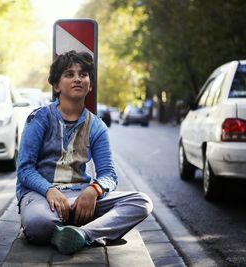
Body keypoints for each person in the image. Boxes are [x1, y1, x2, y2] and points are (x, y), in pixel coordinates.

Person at [16, 50, 153, 255]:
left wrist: (93, 191)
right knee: (37, 223)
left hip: (82, 200)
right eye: (69, 74)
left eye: (83, 74)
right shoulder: (39, 118)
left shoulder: (97, 126)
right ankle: (76, 230)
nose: (77, 79)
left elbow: (108, 174)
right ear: (56, 85)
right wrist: (49, 190)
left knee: (141, 202)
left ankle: (83, 235)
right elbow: (25, 169)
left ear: (90, 85)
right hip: (42, 198)